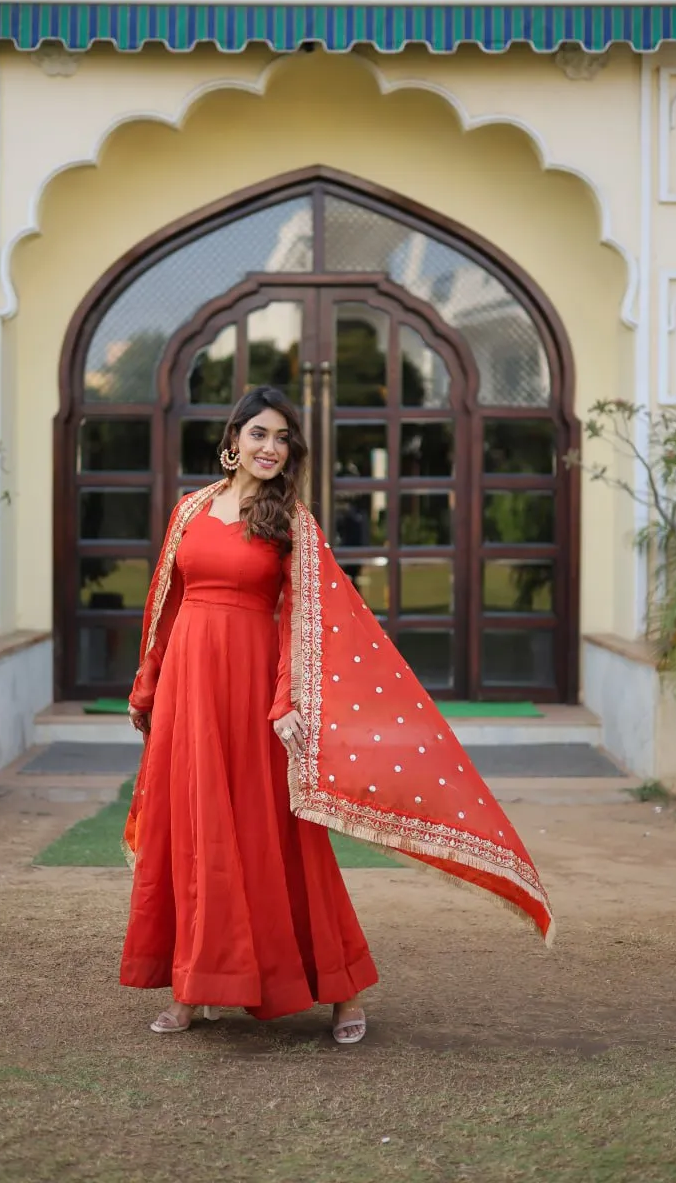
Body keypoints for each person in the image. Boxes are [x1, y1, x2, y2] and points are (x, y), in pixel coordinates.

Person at [120, 386, 554, 1045]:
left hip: (252, 700)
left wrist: (284, 703)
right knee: (192, 837)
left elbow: (303, 618)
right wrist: (148, 689)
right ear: (232, 439)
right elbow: (167, 604)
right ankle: (193, 987)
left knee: (284, 843)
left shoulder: (289, 521)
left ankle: (341, 990)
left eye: (282, 439)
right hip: (189, 691)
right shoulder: (190, 509)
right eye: (259, 434)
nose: (270, 448)